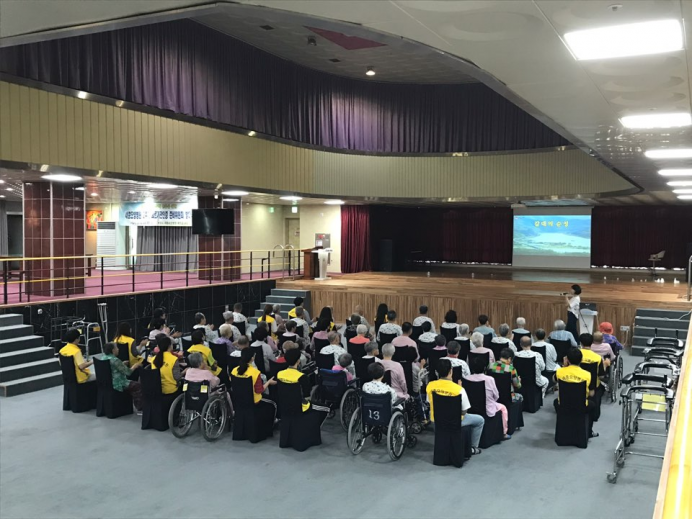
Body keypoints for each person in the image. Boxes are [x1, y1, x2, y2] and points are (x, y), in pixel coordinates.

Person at [426, 358, 484, 455]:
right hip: (455, 421)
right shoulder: (458, 389)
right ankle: (472, 448)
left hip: (436, 420)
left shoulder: (430, 385)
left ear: (436, 372)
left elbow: (429, 402)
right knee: (480, 420)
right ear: (451, 371)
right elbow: (464, 411)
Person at [554, 347, 598, 438]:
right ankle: (589, 432)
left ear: (567, 360)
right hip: (581, 406)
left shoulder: (560, 372)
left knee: (555, 402)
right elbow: (591, 394)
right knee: (593, 405)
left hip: (564, 405)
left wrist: (564, 367)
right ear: (581, 360)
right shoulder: (587, 375)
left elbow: (553, 380)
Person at [277, 349, 329, 422]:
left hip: (285, 405)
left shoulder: (279, 374)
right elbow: (307, 396)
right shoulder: (302, 377)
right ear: (298, 361)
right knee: (326, 408)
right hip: (301, 407)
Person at [465, 356, 510, 439]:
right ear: (485, 368)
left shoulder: (467, 378)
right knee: (503, 408)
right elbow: (496, 396)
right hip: (487, 409)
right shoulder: (490, 379)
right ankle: (504, 433)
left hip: (470, 407)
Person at [231, 348, 276, 417]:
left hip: (238, 400)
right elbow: (259, 390)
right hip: (253, 402)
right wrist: (269, 382)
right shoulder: (255, 373)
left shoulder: (234, 370)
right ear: (252, 358)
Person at [101, 342, 143, 411]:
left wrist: (122, 364)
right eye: (116, 348)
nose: (118, 349)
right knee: (138, 386)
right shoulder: (115, 360)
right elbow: (128, 372)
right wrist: (135, 366)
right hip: (119, 383)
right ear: (113, 350)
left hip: (108, 382)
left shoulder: (103, 358)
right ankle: (140, 407)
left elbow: (111, 368)